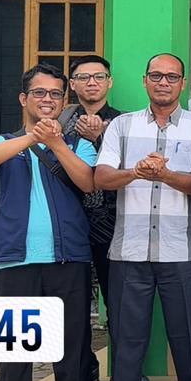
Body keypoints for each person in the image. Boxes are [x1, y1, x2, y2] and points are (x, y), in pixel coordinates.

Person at [94, 53, 191, 381]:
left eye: (172, 77)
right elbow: (102, 177)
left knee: (188, 339)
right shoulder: (121, 126)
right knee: (127, 340)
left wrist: (164, 175)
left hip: (183, 250)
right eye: (156, 76)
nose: (164, 82)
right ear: (145, 81)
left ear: (183, 83)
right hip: (129, 251)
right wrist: (137, 171)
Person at [0, 63, 97, 381]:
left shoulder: (78, 145)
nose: (48, 100)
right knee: (13, 347)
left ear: (64, 101)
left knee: (71, 345)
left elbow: (88, 182)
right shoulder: (1, 142)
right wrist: (32, 138)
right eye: (40, 93)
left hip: (68, 258)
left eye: (55, 94)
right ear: (24, 98)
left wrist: (55, 144)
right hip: (15, 260)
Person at [58, 55, 121, 336]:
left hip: (112, 225)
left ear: (109, 82)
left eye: (99, 76)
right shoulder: (59, 123)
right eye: (83, 77)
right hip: (69, 223)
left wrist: (99, 139)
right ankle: (80, 361)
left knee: (117, 299)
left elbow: (129, 169)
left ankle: (122, 360)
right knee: (71, 302)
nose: (92, 82)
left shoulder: (123, 122)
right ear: (73, 84)